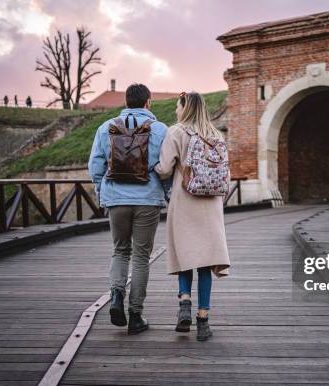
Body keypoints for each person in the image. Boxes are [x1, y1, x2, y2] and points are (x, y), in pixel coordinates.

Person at [88, 83, 168, 335]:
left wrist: (104, 193)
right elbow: (166, 168)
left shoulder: (105, 128)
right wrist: (166, 194)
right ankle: (135, 315)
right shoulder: (160, 129)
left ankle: (116, 296)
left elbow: (95, 166)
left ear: (125, 101)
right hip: (147, 199)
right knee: (142, 257)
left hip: (116, 199)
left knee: (120, 251)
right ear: (148, 103)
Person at [155, 92, 230, 342]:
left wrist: (154, 168)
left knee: (186, 256)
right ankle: (203, 321)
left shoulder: (176, 132)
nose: (176, 110)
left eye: (177, 106)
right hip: (210, 206)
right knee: (206, 263)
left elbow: (165, 169)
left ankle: (184, 302)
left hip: (185, 200)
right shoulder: (215, 134)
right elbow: (225, 175)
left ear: (184, 107)